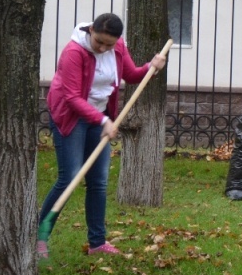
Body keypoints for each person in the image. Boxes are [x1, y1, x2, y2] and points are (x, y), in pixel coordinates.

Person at [37, 13, 167, 259]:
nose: (104, 48)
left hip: (99, 117)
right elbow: (72, 97)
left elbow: (130, 75)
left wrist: (152, 67)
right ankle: (38, 237)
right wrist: (104, 120)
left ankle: (97, 242)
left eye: (109, 44)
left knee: (98, 182)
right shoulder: (74, 52)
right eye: (99, 42)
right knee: (69, 177)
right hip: (70, 117)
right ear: (91, 31)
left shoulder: (117, 47)